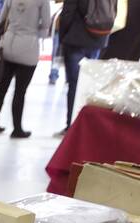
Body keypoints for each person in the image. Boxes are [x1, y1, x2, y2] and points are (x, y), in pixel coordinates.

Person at [0, 0, 49, 138]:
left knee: (1, 87)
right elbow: (46, 25)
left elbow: (3, 18)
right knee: (20, 91)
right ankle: (17, 129)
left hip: (9, 44)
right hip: (28, 46)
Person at [56, 0, 109, 135]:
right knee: (89, 84)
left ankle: (72, 125)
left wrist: (63, 36)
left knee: (75, 84)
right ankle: (85, 127)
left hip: (76, 39)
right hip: (99, 38)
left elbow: (68, 13)